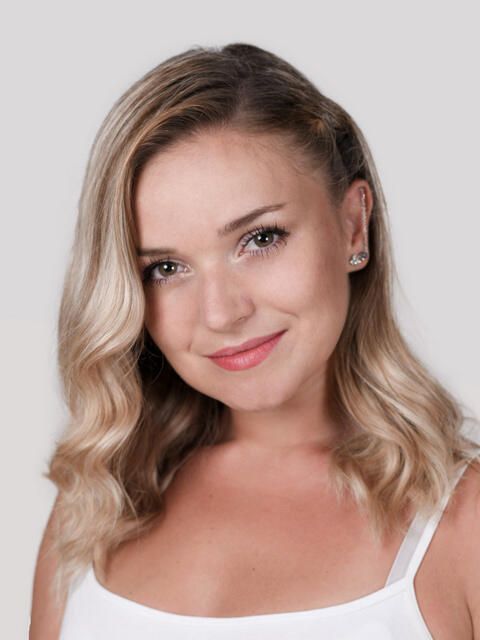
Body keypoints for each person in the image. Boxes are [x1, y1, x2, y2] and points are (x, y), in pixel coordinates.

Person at [29, 42, 480, 640]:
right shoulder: (95, 507)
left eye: (260, 239)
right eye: (165, 268)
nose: (221, 313)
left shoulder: (465, 525)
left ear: (352, 224)